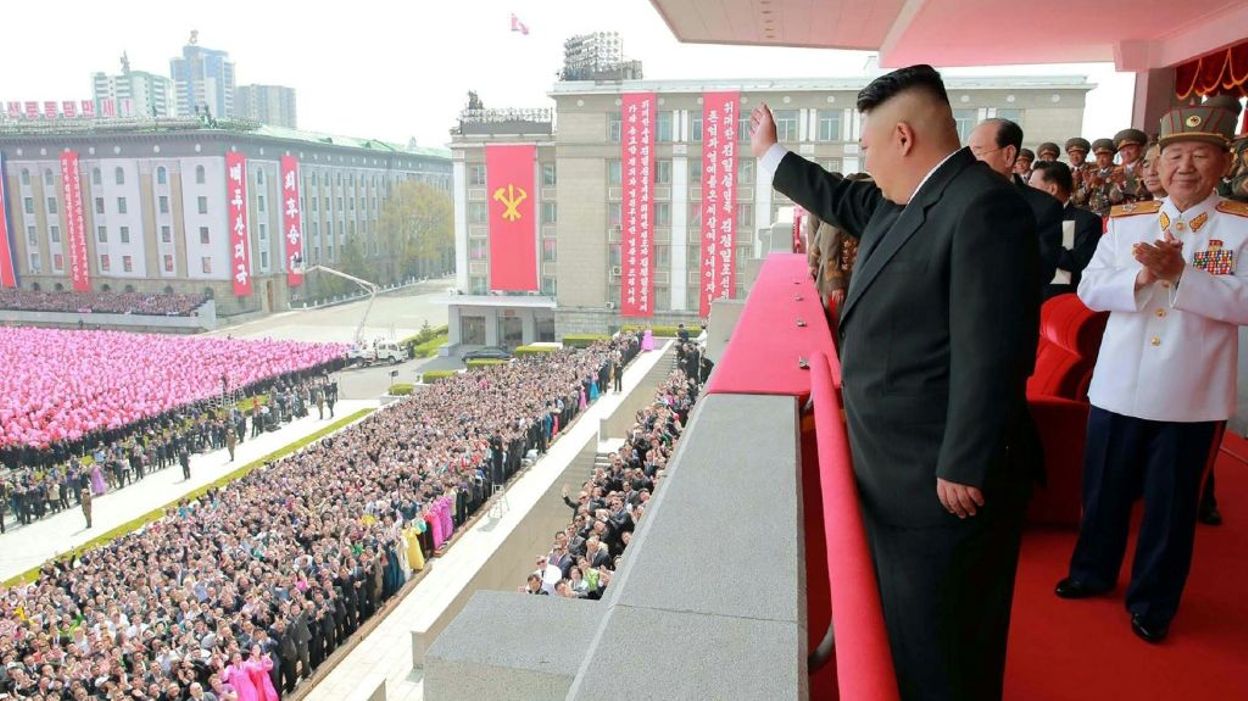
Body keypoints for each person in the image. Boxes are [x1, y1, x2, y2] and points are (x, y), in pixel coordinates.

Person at [752, 64, 1040, 700]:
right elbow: (839, 197)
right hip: (898, 468)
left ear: (902, 137)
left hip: (942, 482)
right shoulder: (900, 202)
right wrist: (771, 154)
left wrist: (965, 460)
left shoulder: (984, 208)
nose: (864, 159)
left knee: (945, 645)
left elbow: (994, 347)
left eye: (866, 144)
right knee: (906, 632)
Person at [1055, 102, 1246, 644]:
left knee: (1170, 506)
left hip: (1191, 392)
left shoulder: (1238, 227)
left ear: (1223, 162)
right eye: (1176, 155)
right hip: (1119, 384)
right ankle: (1091, 573)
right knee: (1104, 490)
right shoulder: (1128, 221)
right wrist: (1142, 275)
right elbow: (1089, 290)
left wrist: (1183, 276)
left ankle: (1153, 602)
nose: (1185, 167)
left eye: (1200, 155)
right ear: (1159, 165)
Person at [969, 118, 1064, 289]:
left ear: (1008, 154)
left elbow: (1039, 270)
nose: (971, 162)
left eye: (978, 153)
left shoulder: (1043, 207)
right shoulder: (957, 198)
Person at [1028, 160, 1104, 298]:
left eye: (1032, 186)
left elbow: (1076, 266)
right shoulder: (1027, 219)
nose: (1028, 192)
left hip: (1063, 299)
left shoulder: (1084, 221)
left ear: (1052, 189)